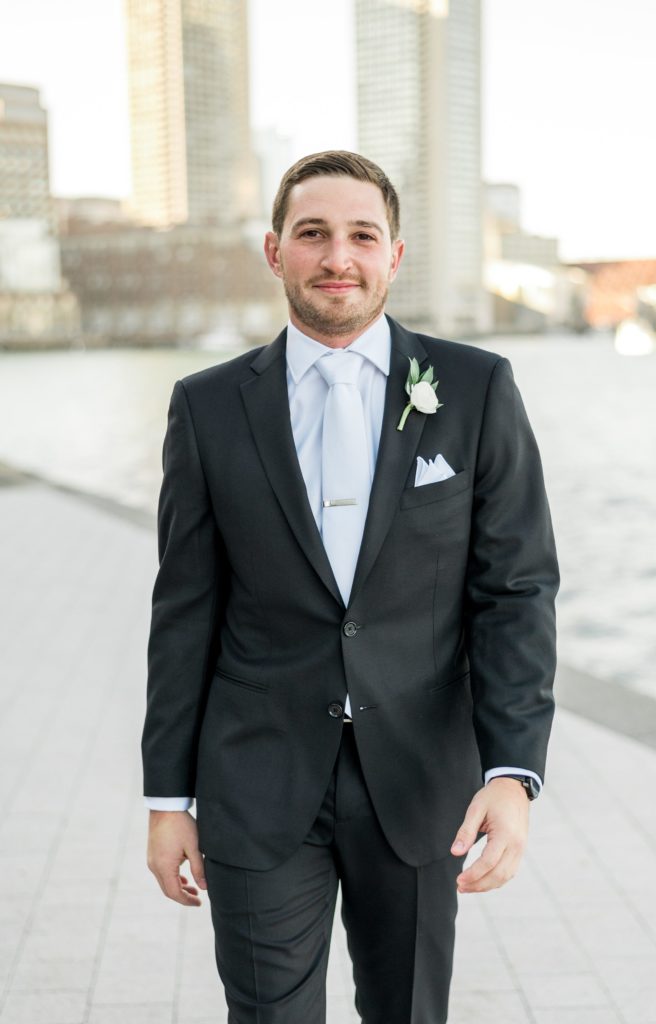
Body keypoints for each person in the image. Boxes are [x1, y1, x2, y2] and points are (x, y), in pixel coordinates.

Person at [143, 150, 559, 1023]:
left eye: (361, 235)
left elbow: (514, 590)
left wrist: (512, 773)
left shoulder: (475, 388)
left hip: (417, 783)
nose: (339, 257)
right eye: (313, 234)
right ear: (274, 251)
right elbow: (184, 609)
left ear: (394, 256)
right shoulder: (207, 405)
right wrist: (166, 800)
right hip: (256, 779)